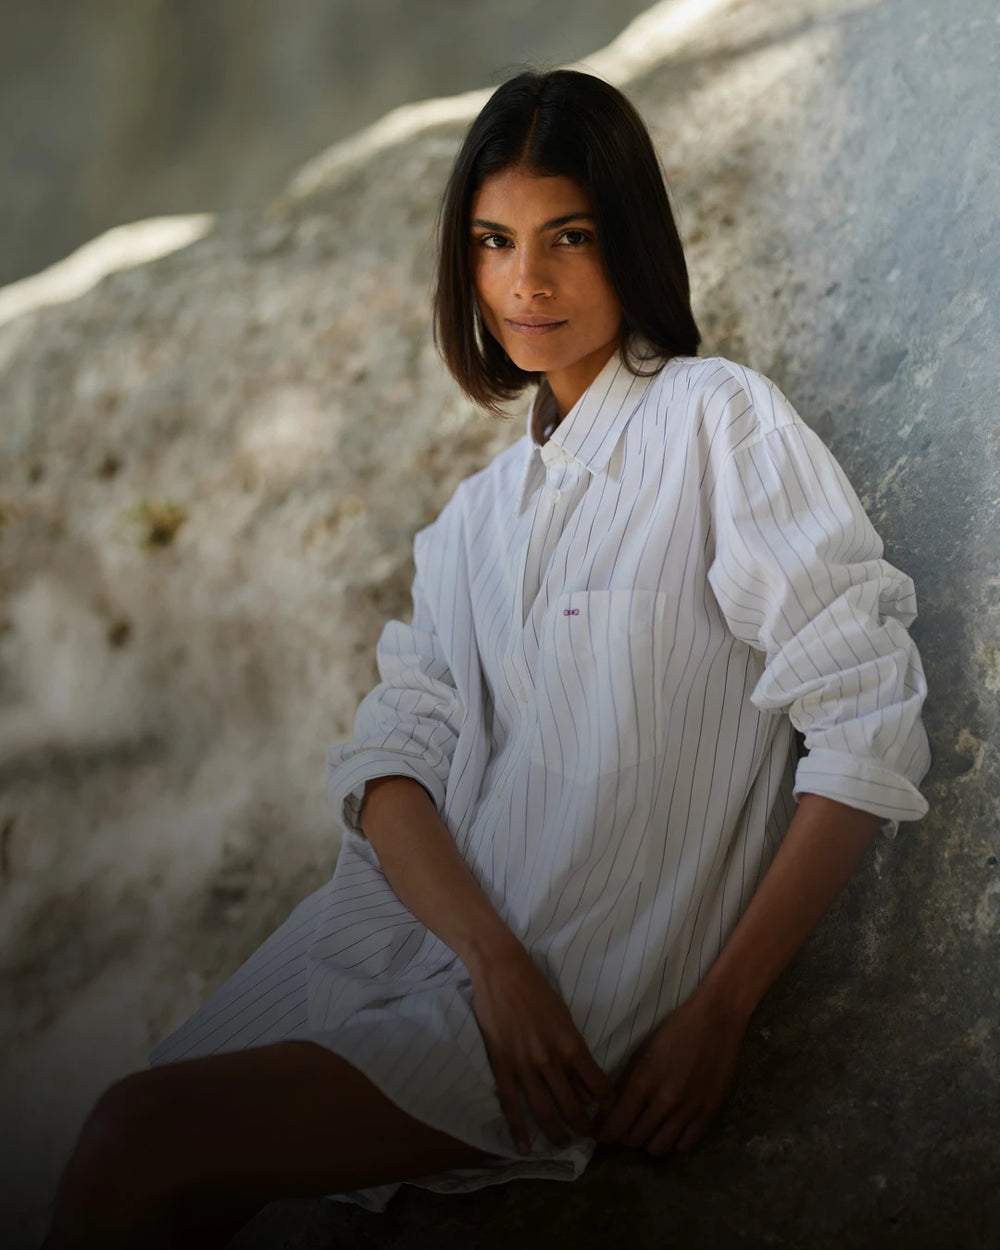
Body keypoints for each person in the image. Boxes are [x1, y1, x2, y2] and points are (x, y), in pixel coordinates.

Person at [44, 69, 930, 1248]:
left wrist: (720, 1008)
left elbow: (867, 719)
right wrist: (489, 957)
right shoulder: (475, 519)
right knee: (153, 1166)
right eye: (493, 242)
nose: (527, 282)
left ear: (631, 239)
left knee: (135, 1135)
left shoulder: (718, 423)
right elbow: (391, 765)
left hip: (572, 1008)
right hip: (430, 954)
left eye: (569, 236)